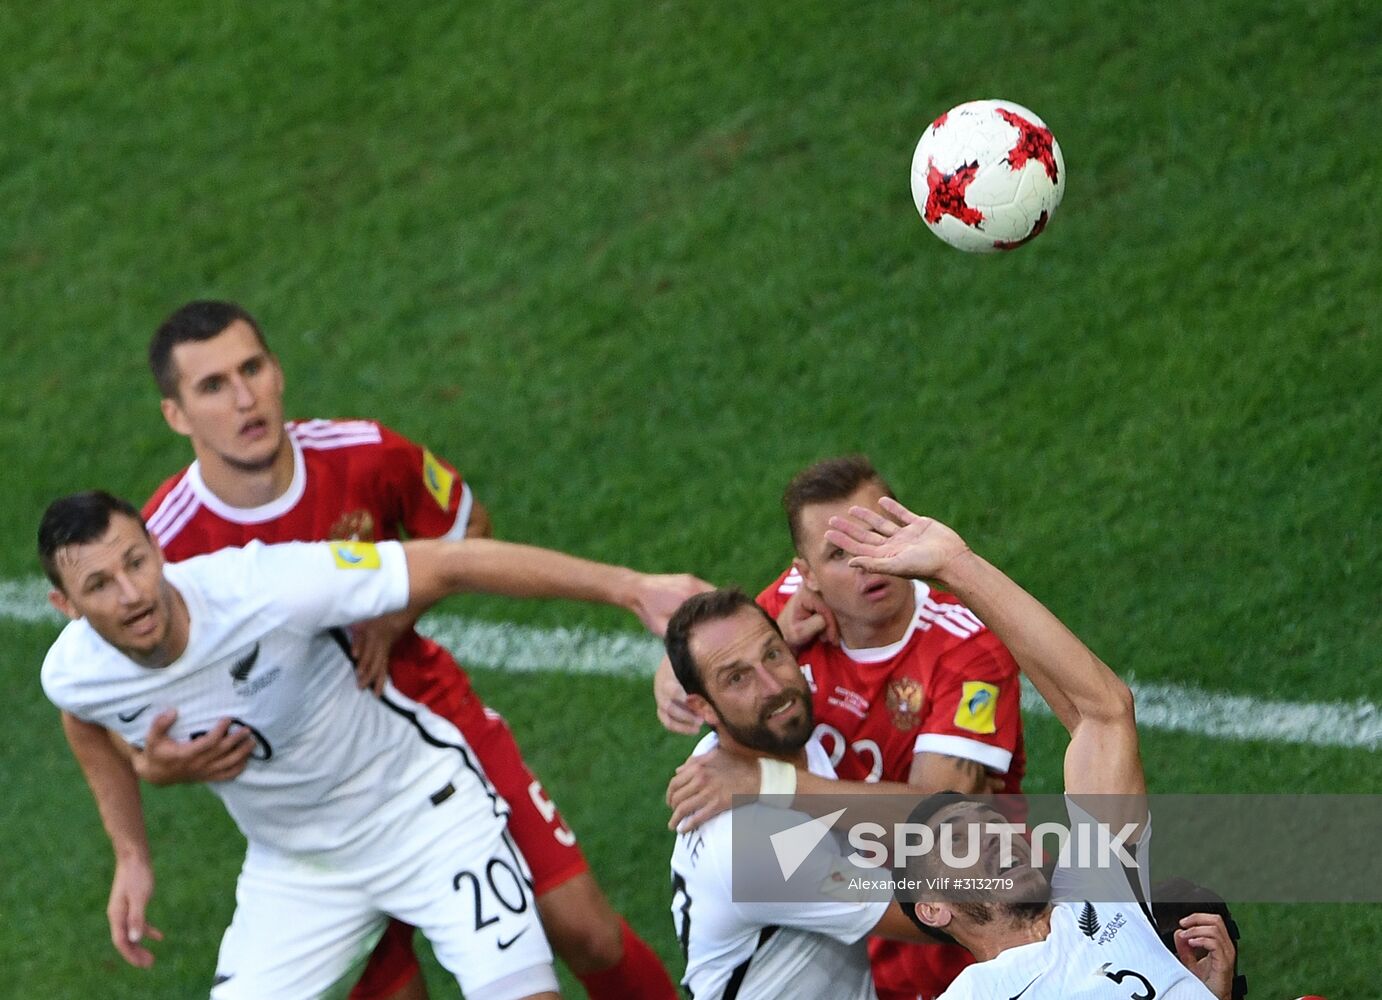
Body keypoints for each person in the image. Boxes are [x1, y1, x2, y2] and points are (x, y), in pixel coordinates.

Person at [106, 299, 691, 999]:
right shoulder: (159, 550)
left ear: (277, 369)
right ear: (175, 414)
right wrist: (150, 774)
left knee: (583, 929)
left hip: (433, 730)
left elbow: (466, 529)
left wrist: (393, 611)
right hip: (318, 808)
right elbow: (93, 691)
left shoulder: (362, 454)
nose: (244, 398)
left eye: (253, 368)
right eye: (211, 386)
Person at [40, 490, 694, 998]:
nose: (132, 594)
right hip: (296, 869)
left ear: (158, 548)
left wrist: (629, 587)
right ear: (65, 605)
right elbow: (85, 721)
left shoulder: (266, 586)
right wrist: (131, 851)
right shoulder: (73, 670)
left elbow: (451, 561)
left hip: (425, 815)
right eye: (99, 584)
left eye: (136, 561)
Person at [824, 496, 1238, 999]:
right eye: (960, 842)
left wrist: (959, 566)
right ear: (932, 907)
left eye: (992, 823)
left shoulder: (1096, 889)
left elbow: (1102, 713)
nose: (996, 837)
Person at [658, 455, 1027, 998]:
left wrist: (773, 784)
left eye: (878, 534)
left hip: (962, 937)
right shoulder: (785, 614)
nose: (869, 564)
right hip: (869, 922)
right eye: (839, 554)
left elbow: (943, 821)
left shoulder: (966, 648)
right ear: (804, 574)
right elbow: (691, 665)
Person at [663, 588, 935, 999]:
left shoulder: (759, 738)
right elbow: (946, 913)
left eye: (772, 653)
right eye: (737, 677)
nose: (773, 686)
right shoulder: (754, 848)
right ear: (704, 708)